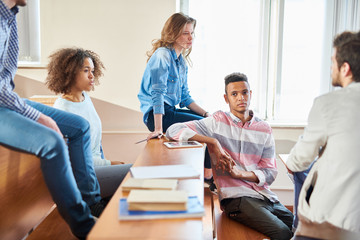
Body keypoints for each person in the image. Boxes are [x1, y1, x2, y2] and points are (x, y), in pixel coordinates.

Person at [0, 1, 105, 238]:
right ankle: (84, 226)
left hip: (6, 97)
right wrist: (38, 117)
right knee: (52, 142)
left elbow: (5, 84)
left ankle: (91, 201)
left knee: (80, 127)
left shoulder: (10, 17)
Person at [166, 72, 294, 239]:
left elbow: (270, 173)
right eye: (234, 94)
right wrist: (213, 142)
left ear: (250, 94)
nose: (241, 97)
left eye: (244, 92)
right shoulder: (217, 121)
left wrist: (240, 174)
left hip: (266, 197)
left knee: (302, 229)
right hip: (236, 198)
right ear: (226, 98)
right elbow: (172, 130)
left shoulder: (264, 129)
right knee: (282, 233)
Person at [286, 31, 360, 240]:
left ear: (345, 68)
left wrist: (292, 162)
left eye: (332, 62)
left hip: (332, 222)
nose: (330, 68)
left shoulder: (329, 103)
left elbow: (298, 161)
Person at [45, 47, 132, 199]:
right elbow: (75, 158)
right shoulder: (63, 109)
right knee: (133, 171)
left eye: (92, 70)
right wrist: (109, 164)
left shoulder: (85, 98)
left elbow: (95, 146)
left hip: (95, 167)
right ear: (70, 73)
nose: (92, 76)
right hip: (82, 175)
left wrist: (108, 163)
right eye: (86, 71)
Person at [137, 12, 212, 179]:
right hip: (157, 115)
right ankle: (209, 178)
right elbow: (157, 93)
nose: (190, 37)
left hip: (170, 110)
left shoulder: (181, 62)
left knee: (210, 122)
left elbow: (185, 97)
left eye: (192, 32)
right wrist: (158, 128)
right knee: (207, 128)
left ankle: (208, 176)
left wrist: (207, 114)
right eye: (185, 33)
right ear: (173, 33)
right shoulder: (162, 55)